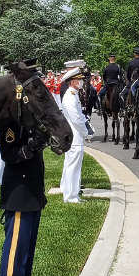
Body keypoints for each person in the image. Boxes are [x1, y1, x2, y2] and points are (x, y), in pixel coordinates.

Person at [0, 113, 50, 276]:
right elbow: (8, 154)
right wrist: (32, 146)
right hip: (20, 192)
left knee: (26, 248)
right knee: (16, 249)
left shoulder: (33, 119)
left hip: (32, 191)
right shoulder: (10, 122)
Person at [59, 67, 90, 203]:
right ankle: (71, 196)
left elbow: (80, 116)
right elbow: (76, 119)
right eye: (79, 80)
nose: (81, 82)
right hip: (74, 135)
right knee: (73, 166)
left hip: (74, 135)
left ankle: (70, 192)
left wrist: (88, 125)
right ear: (72, 82)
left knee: (71, 165)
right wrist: (86, 132)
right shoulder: (70, 96)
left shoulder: (73, 94)